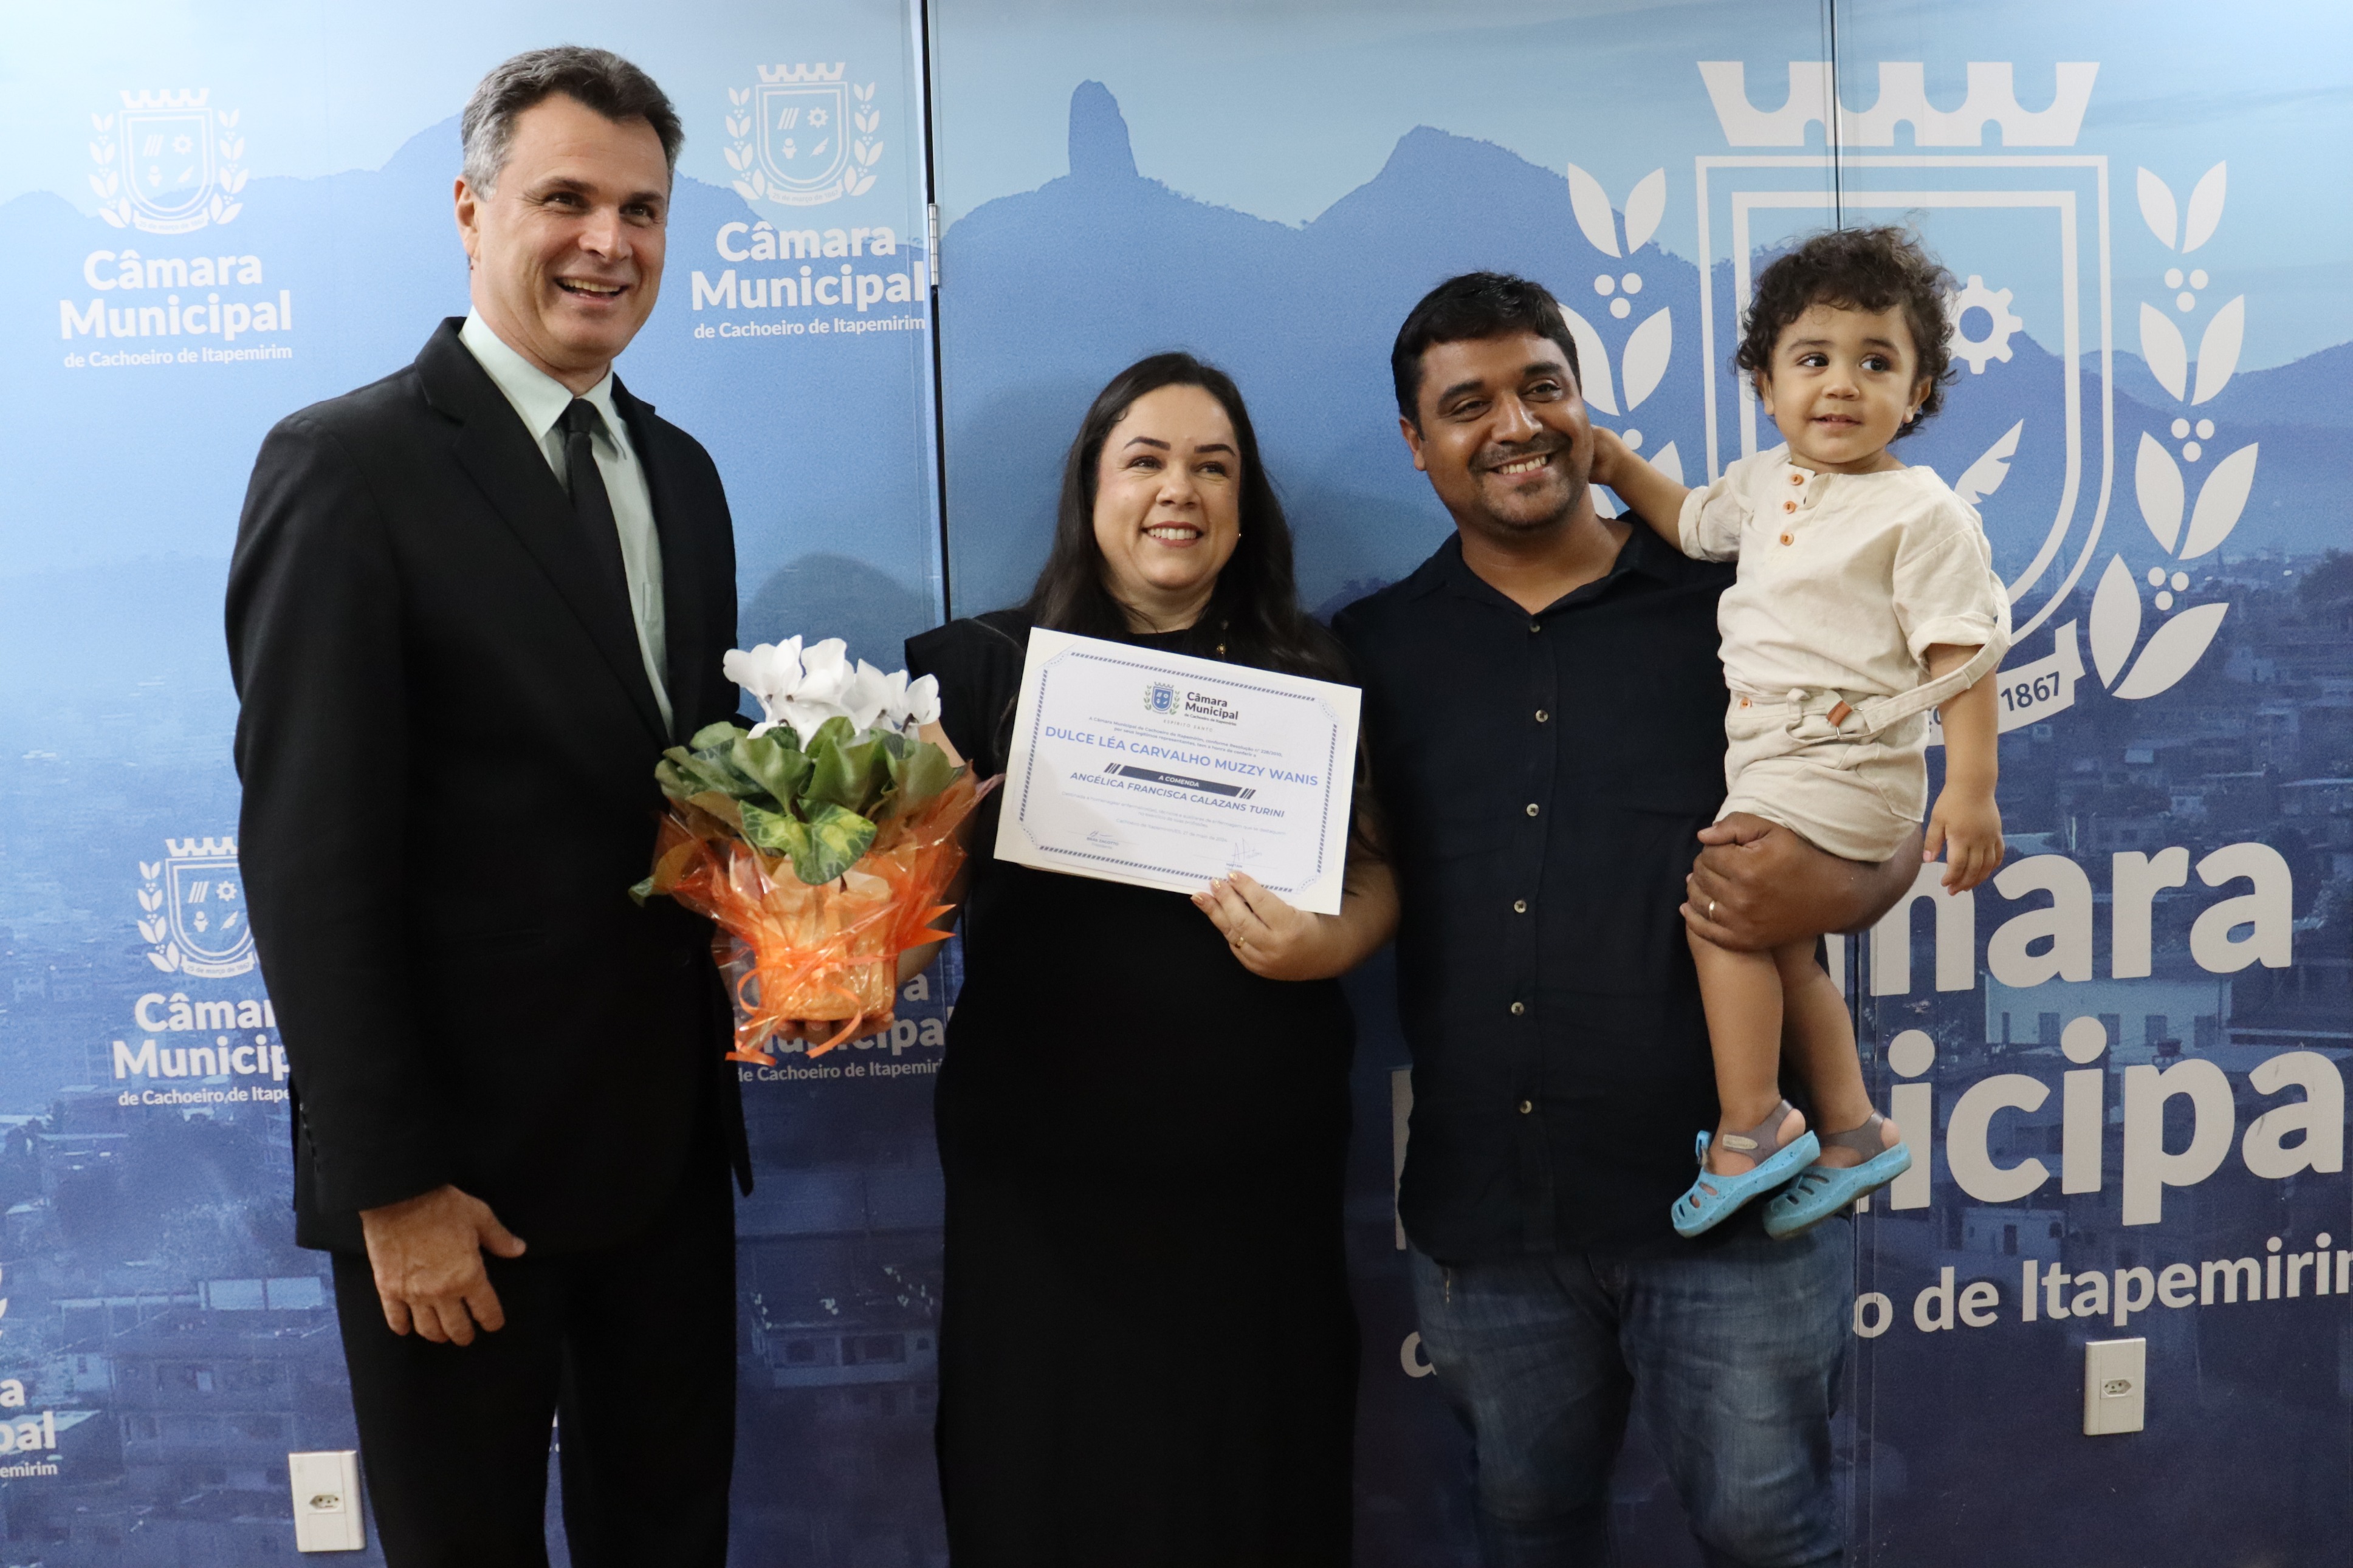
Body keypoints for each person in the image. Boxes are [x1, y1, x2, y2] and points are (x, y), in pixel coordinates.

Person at [227, 49, 747, 1566]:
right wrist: (390, 1188)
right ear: (471, 210)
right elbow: (310, 865)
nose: (609, 243)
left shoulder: (684, 474)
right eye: (566, 199)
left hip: (664, 1169)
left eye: (642, 210)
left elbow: (676, 786)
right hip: (457, 1192)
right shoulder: (347, 466)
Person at [1333, 272, 1922, 1567]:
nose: (1515, 425)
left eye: (1542, 387)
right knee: (1529, 1535)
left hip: (1743, 1212)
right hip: (1492, 1219)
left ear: (1584, 405)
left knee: (1770, 1536)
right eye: (1468, 404)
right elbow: (1354, 877)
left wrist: (1839, 891)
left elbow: (1886, 819)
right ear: (1417, 441)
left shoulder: (1739, 601)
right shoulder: (1370, 650)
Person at [902, 352, 1397, 1567]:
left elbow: (1378, 873)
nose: (1181, 489)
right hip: (1043, 1189)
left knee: (1249, 1491)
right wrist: (870, 923)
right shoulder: (975, 671)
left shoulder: (1311, 672)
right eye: (1147, 460)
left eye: (1213, 467)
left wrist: (1327, 941)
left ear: (1244, 504)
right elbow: (897, 917)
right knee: (1047, 1490)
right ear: (1093, 488)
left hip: (1252, 1184)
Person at [1593, 227, 2008, 1241]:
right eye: (1812, 359)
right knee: (1781, 949)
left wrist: (1971, 790)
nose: (1841, 384)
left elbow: (1962, 657)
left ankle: (1754, 1126)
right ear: (1766, 385)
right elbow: (1689, 522)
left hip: (1846, 764)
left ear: (1918, 391)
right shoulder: (1763, 481)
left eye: (1877, 362)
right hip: (1774, 757)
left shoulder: (1921, 512)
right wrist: (1613, 463)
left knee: (1720, 912)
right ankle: (1855, 1128)